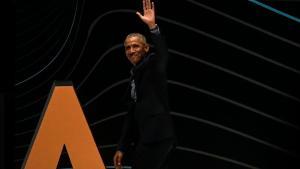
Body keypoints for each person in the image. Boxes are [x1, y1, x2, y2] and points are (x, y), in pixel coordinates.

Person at [113, 0, 176, 169]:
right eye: (127, 48)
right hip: (144, 139)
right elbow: (131, 115)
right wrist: (121, 147)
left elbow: (163, 55)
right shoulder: (134, 75)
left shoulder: (153, 64)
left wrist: (153, 27)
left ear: (146, 48)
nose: (131, 50)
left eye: (135, 46)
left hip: (159, 137)